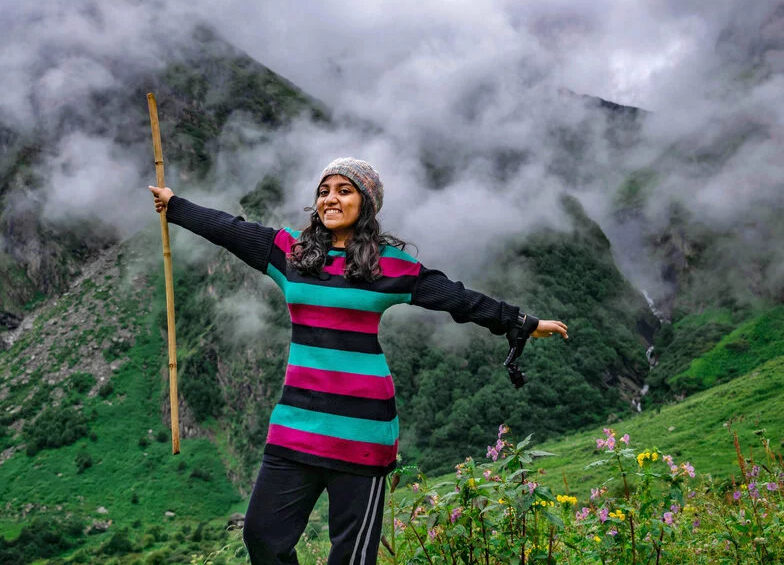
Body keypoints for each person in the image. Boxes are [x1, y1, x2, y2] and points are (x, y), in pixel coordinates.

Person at [148, 157, 567, 565]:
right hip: (296, 426)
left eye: (344, 191)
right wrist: (176, 205)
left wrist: (521, 322)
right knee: (262, 535)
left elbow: (457, 297)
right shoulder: (290, 254)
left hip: (363, 433)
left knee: (351, 555)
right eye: (324, 191)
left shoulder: (390, 266)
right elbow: (230, 230)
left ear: (365, 204)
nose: (331, 199)